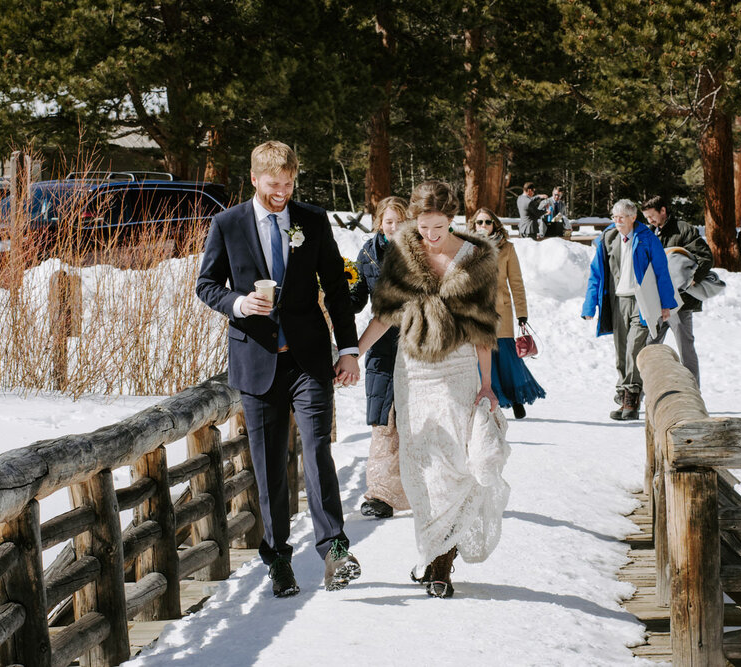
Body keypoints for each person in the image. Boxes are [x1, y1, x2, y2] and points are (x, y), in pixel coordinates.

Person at [196, 140, 362, 597]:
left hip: (309, 359)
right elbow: (206, 285)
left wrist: (347, 349)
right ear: (254, 178)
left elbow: (333, 283)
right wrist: (238, 302)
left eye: (289, 184)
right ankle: (279, 559)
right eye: (273, 185)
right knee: (269, 467)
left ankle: (335, 550)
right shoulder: (226, 224)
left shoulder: (311, 219)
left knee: (316, 450)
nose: (282, 193)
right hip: (256, 362)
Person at [356, 181, 508, 599]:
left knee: (453, 468)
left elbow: (483, 328)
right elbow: (385, 315)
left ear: (452, 219)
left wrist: (487, 385)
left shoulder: (475, 257)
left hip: (458, 372)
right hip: (414, 375)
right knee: (421, 469)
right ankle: (433, 553)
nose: (430, 235)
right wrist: (350, 353)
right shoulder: (404, 253)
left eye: (438, 226)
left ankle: (442, 564)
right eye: (423, 226)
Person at [582, 199, 677, 421]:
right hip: (617, 301)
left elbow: (662, 271)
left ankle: (631, 397)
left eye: (622, 217)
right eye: (614, 217)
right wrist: (589, 306)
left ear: (633, 217)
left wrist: (666, 304)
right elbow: (596, 273)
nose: (617, 221)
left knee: (634, 348)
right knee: (621, 350)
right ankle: (623, 393)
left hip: (641, 301)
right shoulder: (608, 238)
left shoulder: (646, 238)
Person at [349, 196, 410, 519]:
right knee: (383, 420)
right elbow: (358, 294)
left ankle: (424, 491)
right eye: (389, 221)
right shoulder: (369, 253)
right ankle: (380, 496)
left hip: (416, 343)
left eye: (401, 221)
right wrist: (341, 297)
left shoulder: (419, 252)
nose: (395, 227)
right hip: (382, 345)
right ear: (379, 223)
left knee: (415, 420)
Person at [468, 207, 546, 419]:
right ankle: (491, 399)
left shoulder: (507, 249)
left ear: (495, 224)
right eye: (479, 222)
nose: (483, 226)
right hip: (476, 312)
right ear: (474, 225)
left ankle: (517, 397)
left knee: (506, 357)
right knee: (482, 357)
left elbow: (516, 282)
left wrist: (522, 313)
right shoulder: (466, 247)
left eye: (487, 222)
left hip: (501, 311)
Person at [640, 196, 714, 386]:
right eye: (646, 218)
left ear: (663, 211)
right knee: (650, 346)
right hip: (658, 301)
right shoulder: (650, 233)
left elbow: (705, 257)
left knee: (685, 348)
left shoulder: (683, 229)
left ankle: (693, 391)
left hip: (680, 302)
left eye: (652, 216)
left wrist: (691, 280)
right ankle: (645, 393)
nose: (650, 221)